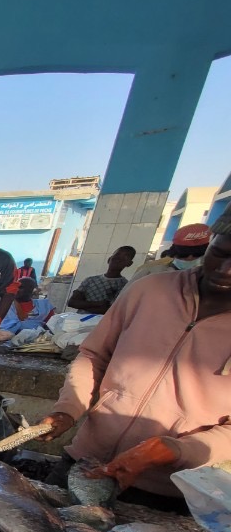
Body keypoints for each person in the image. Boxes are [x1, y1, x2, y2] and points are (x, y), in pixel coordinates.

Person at [34, 210, 231, 509]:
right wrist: (68, 409)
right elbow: (93, 355)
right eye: (220, 253)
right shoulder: (149, 290)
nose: (226, 270)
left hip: (168, 489)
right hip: (85, 462)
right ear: (211, 243)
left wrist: (177, 449)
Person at [128, 223, 210, 285]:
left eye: (196, 255)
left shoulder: (209, 280)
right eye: (183, 255)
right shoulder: (149, 272)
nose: (189, 258)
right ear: (175, 251)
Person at [67, 246, 136, 315]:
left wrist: (83, 305)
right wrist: (98, 304)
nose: (119, 259)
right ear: (109, 259)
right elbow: (72, 302)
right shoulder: (90, 280)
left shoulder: (125, 286)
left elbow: (110, 311)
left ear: (129, 263)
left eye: (125, 257)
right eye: (117, 254)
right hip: (78, 320)